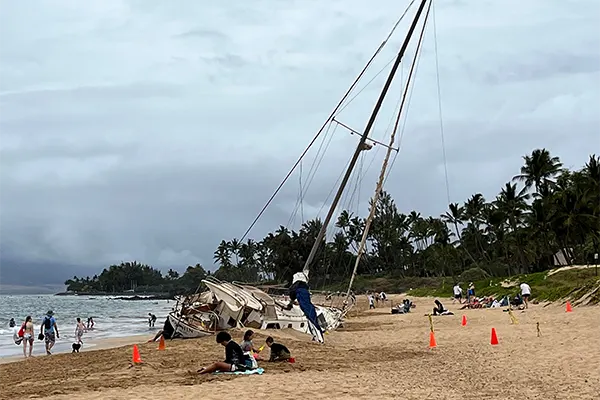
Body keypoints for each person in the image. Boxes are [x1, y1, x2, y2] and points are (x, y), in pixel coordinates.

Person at [286, 270, 324, 343]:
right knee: (310, 314)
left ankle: (319, 338)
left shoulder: (296, 287)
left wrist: (290, 303)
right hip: (305, 298)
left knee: (309, 315)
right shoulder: (304, 287)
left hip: (303, 299)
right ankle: (316, 336)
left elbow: (292, 295)